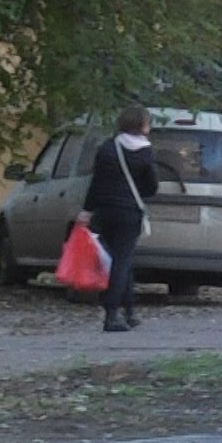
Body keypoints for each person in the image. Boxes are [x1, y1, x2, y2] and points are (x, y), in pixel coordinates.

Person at [77, 107, 158, 333]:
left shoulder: (108, 148)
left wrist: (86, 210)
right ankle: (113, 314)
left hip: (105, 211)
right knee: (123, 261)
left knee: (118, 260)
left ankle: (129, 310)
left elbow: (96, 182)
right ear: (141, 125)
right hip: (129, 212)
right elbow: (152, 187)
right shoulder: (146, 152)